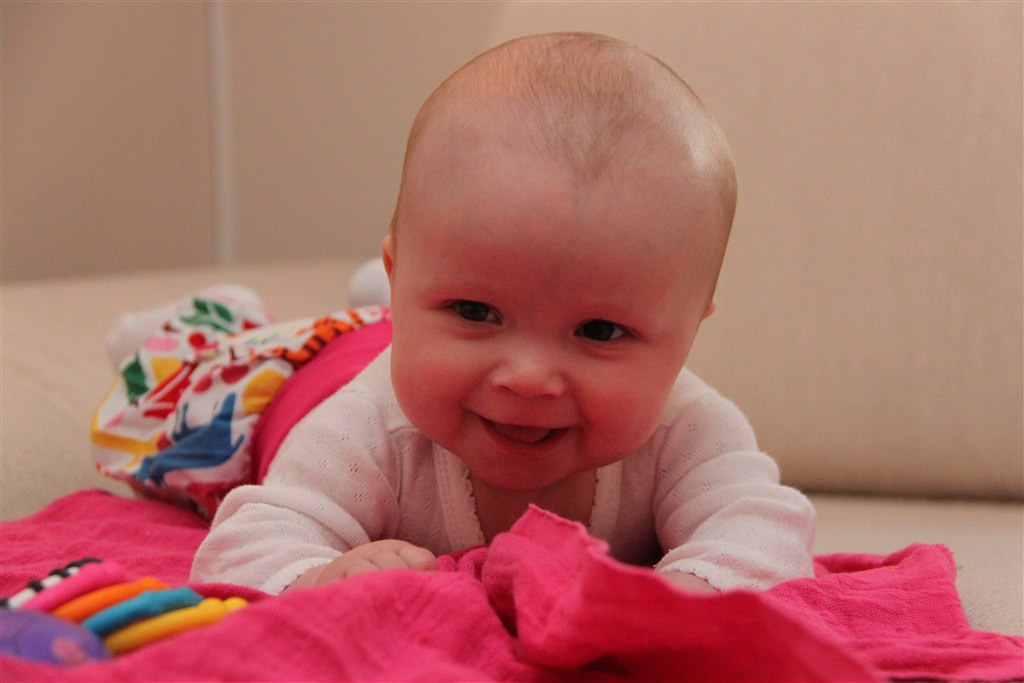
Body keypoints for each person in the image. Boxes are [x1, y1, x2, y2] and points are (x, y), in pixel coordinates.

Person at [190, 32, 816, 595]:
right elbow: (245, 545)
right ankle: (235, 316)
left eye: (599, 331)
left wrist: (682, 596)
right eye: (474, 310)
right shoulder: (367, 429)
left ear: (687, 336)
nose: (528, 378)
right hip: (312, 374)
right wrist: (320, 578)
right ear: (401, 278)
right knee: (222, 387)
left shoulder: (685, 429)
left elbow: (764, 531)